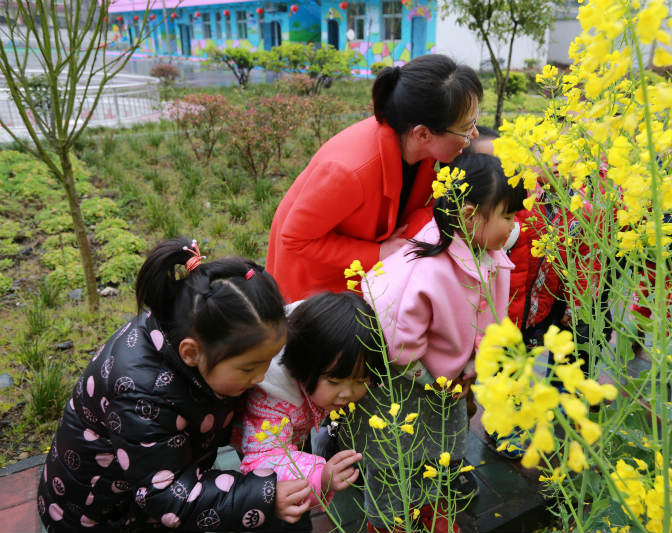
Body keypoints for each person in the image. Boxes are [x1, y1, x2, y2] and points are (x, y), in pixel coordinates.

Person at [37, 238, 311, 532]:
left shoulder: (194, 331)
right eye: (249, 368)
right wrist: (264, 497)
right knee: (266, 506)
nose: (260, 377)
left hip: (159, 481)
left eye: (267, 361)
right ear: (191, 353)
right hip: (101, 516)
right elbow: (167, 498)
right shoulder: (142, 395)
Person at [357, 152, 524, 532]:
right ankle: (388, 524)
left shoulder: (485, 250)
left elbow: (488, 321)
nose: (515, 227)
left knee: (438, 457)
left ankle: (433, 514)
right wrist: (437, 380)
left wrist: (472, 367)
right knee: (394, 462)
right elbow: (397, 344)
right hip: (403, 385)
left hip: (445, 384)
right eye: (509, 217)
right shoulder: (423, 269)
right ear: (469, 216)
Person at [266, 54, 483, 302]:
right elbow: (295, 239)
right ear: (423, 134)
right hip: (315, 284)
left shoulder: (421, 147)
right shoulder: (349, 172)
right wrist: (379, 252)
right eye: (466, 128)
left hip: (359, 271)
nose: (475, 134)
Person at [238, 292, 383, 532]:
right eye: (335, 382)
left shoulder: (322, 351)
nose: (347, 393)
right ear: (302, 365)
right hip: (262, 441)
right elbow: (261, 460)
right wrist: (321, 478)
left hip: (296, 426)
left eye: (361, 381)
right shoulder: (271, 399)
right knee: (285, 513)